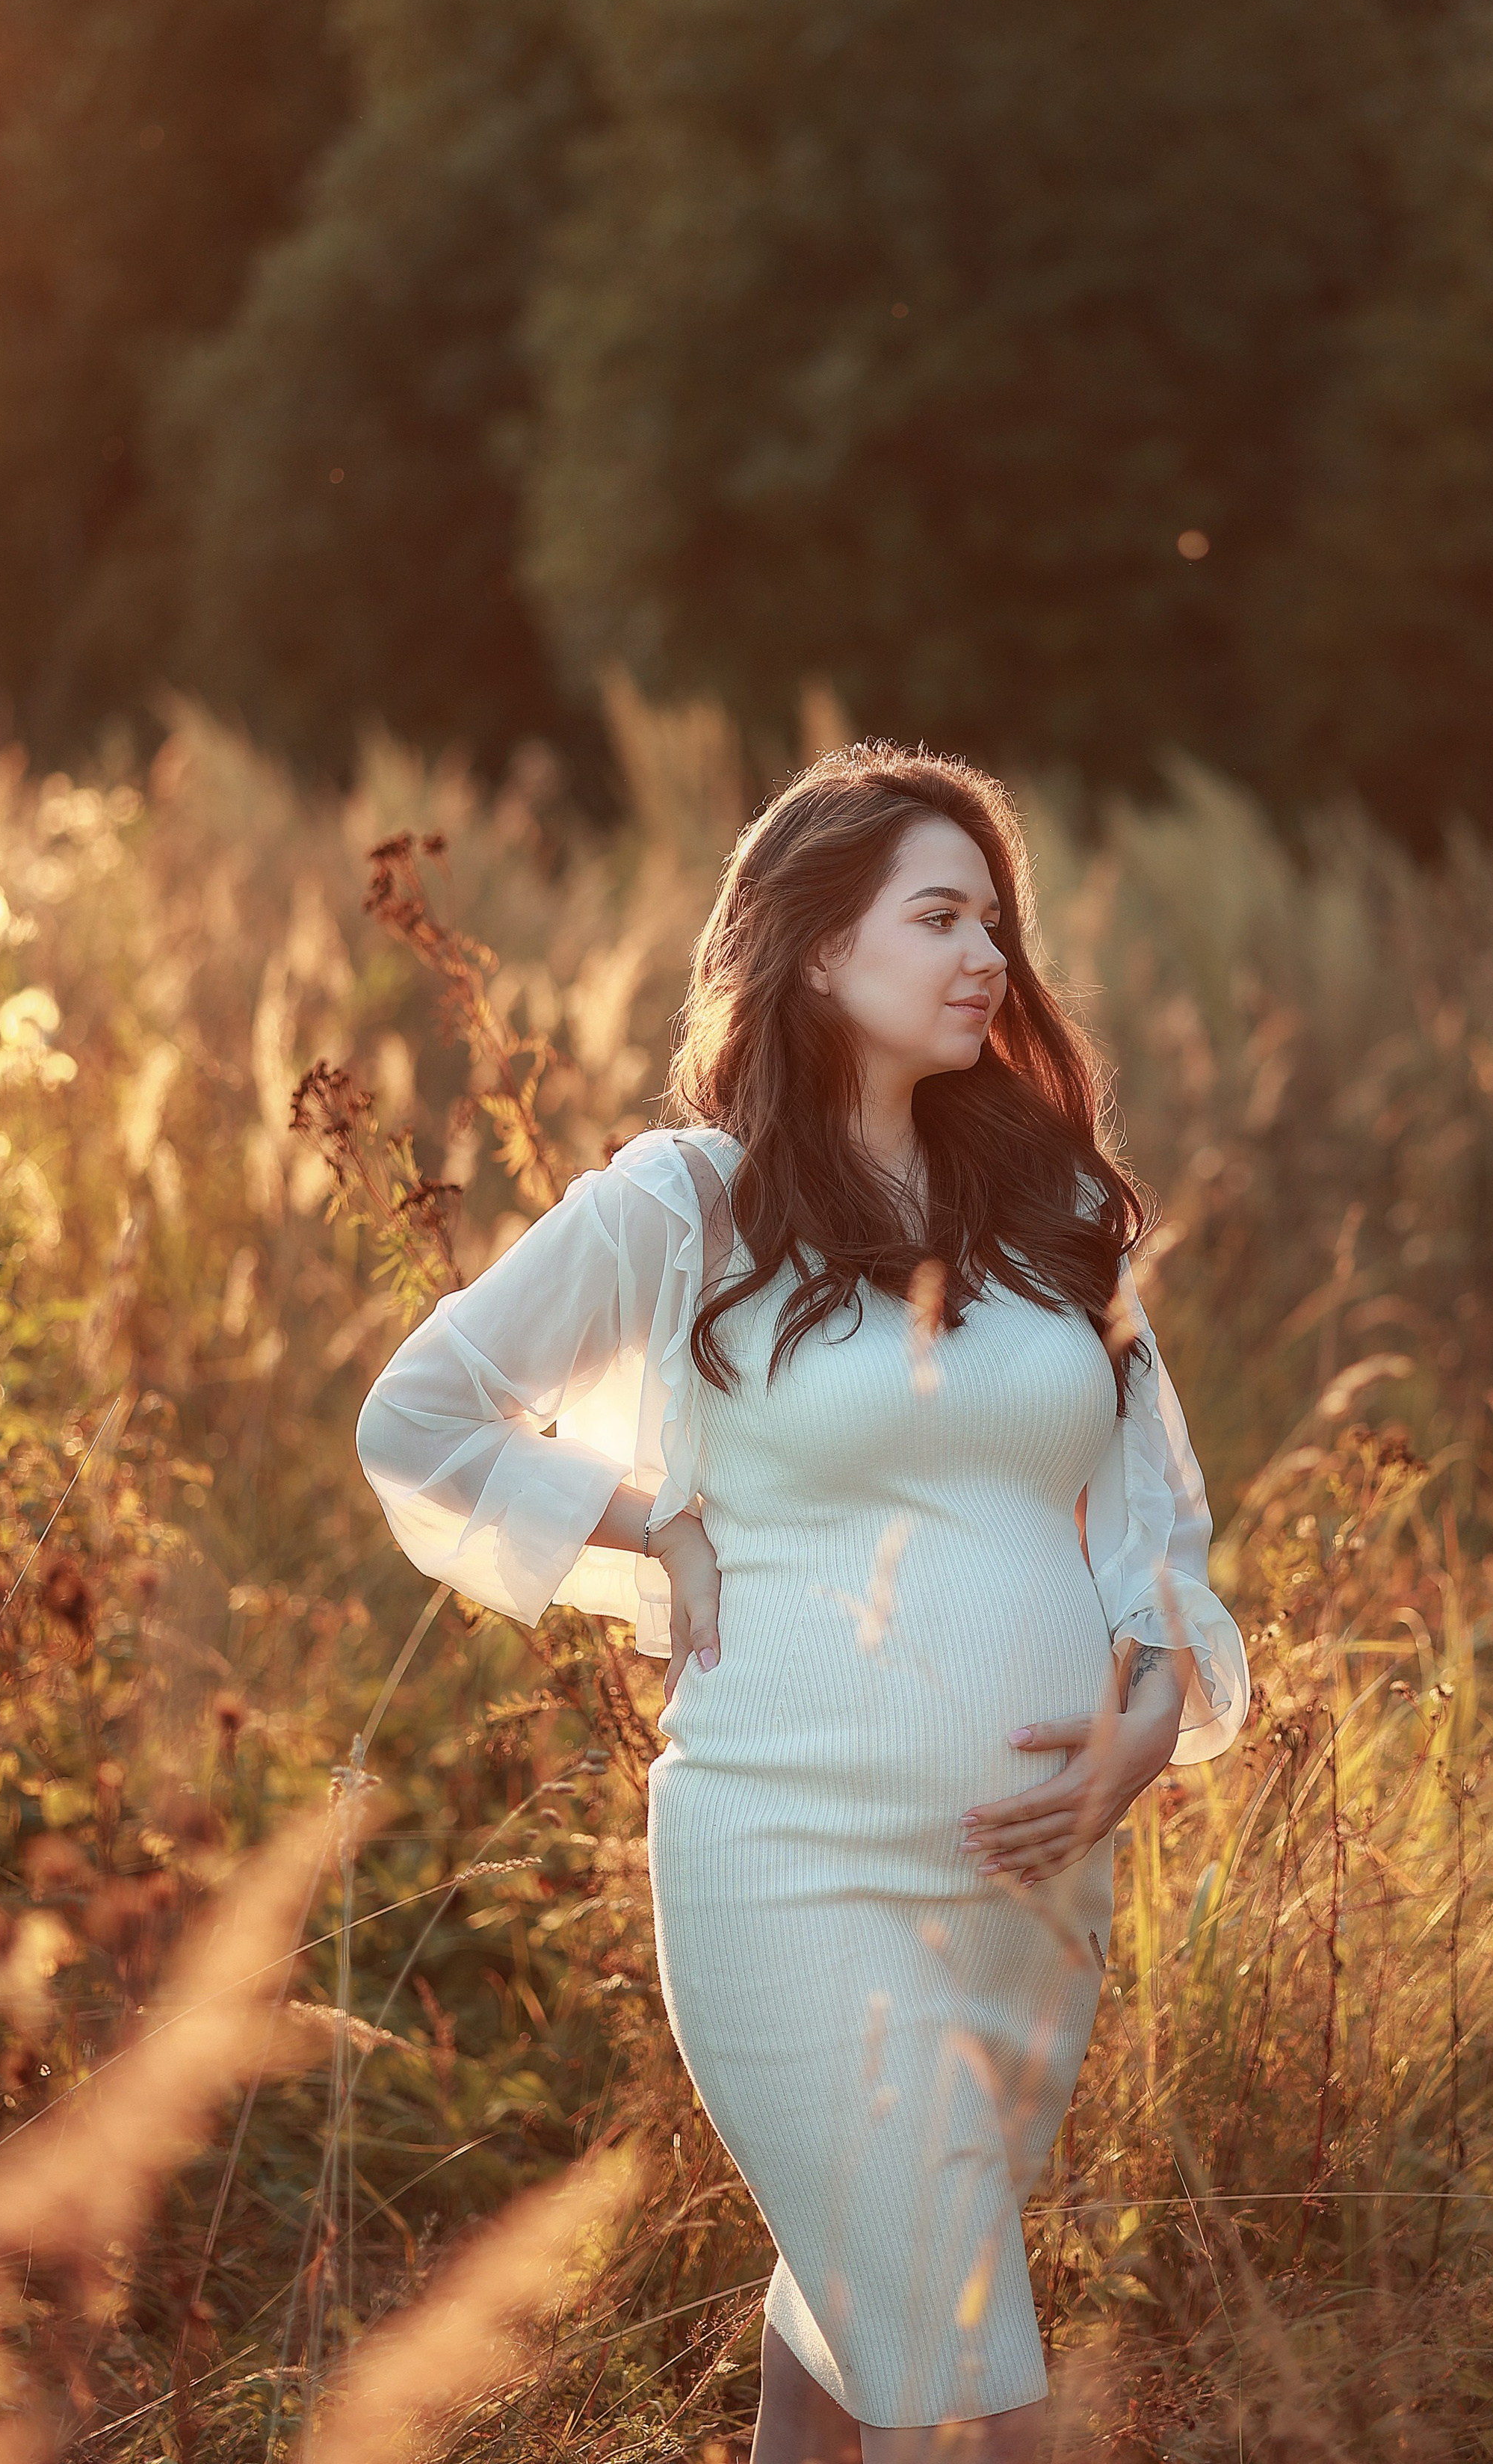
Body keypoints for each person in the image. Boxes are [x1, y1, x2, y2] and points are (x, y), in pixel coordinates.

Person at [357, 744, 1249, 2463]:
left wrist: (1144, 1727)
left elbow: (1153, 1518)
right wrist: (652, 1525)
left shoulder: (1056, 1213)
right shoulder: (685, 1204)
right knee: (964, 2369)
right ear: (821, 951)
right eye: (938, 918)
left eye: (993, 922)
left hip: (1026, 1886)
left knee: (855, 2319)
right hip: (784, 1857)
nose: (985, 955)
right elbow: (421, 1417)